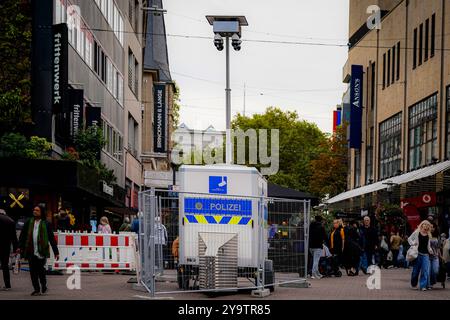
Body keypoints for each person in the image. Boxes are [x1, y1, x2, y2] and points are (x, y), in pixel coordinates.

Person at [19, 205, 59, 296]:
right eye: (34, 210)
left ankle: (43, 285)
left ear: (41, 212)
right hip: (31, 251)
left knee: (41, 271)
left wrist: (56, 252)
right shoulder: (29, 222)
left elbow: (51, 239)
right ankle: (36, 289)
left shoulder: (46, 224)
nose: (35, 211)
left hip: (41, 251)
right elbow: (23, 235)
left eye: (37, 210)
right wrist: (19, 247)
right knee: (33, 272)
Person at [408, 220, 433, 291]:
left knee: (425, 271)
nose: (426, 227)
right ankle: (414, 284)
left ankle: (423, 286)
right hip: (417, 254)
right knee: (416, 271)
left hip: (426, 255)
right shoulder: (417, 232)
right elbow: (409, 239)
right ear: (421, 225)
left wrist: (430, 250)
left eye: (427, 226)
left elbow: (428, 246)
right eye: (424, 225)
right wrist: (413, 243)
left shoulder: (428, 234)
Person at [0, 209, 19, 291]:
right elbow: (14, 237)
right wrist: (16, 248)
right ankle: (7, 285)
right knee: (5, 266)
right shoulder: (10, 221)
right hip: (5, 246)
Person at [428, 223, 441, 289]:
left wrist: (441, 256)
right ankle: (430, 283)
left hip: (435, 256)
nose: (432, 228)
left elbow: (438, 247)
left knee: (435, 270)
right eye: (431, 227)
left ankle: (432, 282)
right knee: (429, 270)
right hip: (428, 256)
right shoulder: (426, 235)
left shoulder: (437, 236)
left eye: (433, 227)